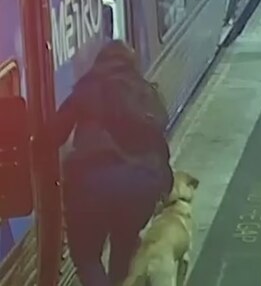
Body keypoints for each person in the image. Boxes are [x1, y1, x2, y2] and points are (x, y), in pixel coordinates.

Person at [49, 41, 173, 286]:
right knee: (125, 244)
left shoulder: (86, 89)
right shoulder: (145, 91)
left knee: (86, 257)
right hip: (143, 185)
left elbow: (51, 137)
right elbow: (159, 140)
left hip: (93, 186)